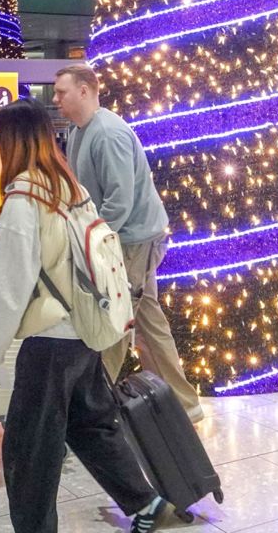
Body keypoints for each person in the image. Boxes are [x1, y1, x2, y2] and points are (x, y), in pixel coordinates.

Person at [0, 97, 168, 533]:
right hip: (85, 328)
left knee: (30, 448)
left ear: (8, 142)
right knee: (89, 424)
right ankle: (143, 501)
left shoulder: (22, 201)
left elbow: (12, 286)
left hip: (48, 341)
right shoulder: (68, 187)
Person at [53, 64, 203, 423]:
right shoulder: (78, 131)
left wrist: (91, 243)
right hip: (124, 239)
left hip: (133, 241)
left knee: (117, 317)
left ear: (86, 91)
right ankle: (183, 404)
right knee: (140, 318)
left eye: (62, 92)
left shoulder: (107, 134)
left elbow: (119, 201)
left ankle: (93, 406)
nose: (55, 98)